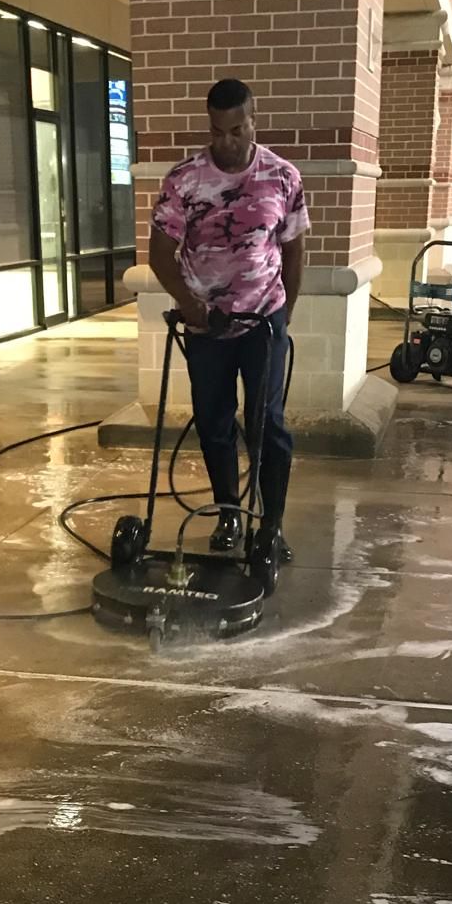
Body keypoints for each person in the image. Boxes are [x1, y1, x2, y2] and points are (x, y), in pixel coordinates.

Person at [148, 78, 309, 561]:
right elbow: (159, 253)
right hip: (207, 326)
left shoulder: (282, 176)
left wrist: (284, 317)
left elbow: (294, 250)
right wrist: (188, 302)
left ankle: (271, 525)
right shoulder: (184, 179)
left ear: (253, 121)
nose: (226, 142)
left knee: (267, 425)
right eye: (217, 132)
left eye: (236, 130)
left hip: (263, 320)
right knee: (214, 423)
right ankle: (229, 515)